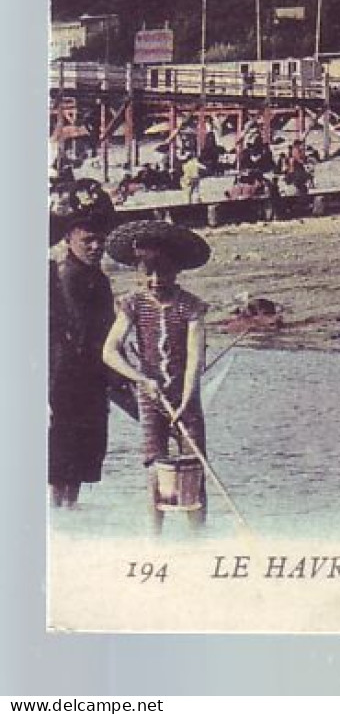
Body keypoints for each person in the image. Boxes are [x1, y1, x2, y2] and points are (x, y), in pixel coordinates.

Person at [100, 220, 213, 533]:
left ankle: (198, 540)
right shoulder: (133, 304)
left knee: (195, 469)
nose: (154, 279)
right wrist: (140, 379)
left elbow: (195, 360)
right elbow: (109, 351)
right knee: (155, 470)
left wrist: (186, 399)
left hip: (185, 398)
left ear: (176, 270)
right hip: (150, 399)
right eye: (147, 272)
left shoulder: (191, 306)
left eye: (162, 271)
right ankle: (155, 544)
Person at [48, 209, 116, 509]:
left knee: (86, 449)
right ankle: (59, 512)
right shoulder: (62, 274)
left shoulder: (99, 280)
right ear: (68, 239)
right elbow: (75, 330)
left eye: (100, 241)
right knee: (62, 447)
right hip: (62, 374)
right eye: (88, 240)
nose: (95, 247)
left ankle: (70, 511)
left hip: (91, 375)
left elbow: (108, 328)